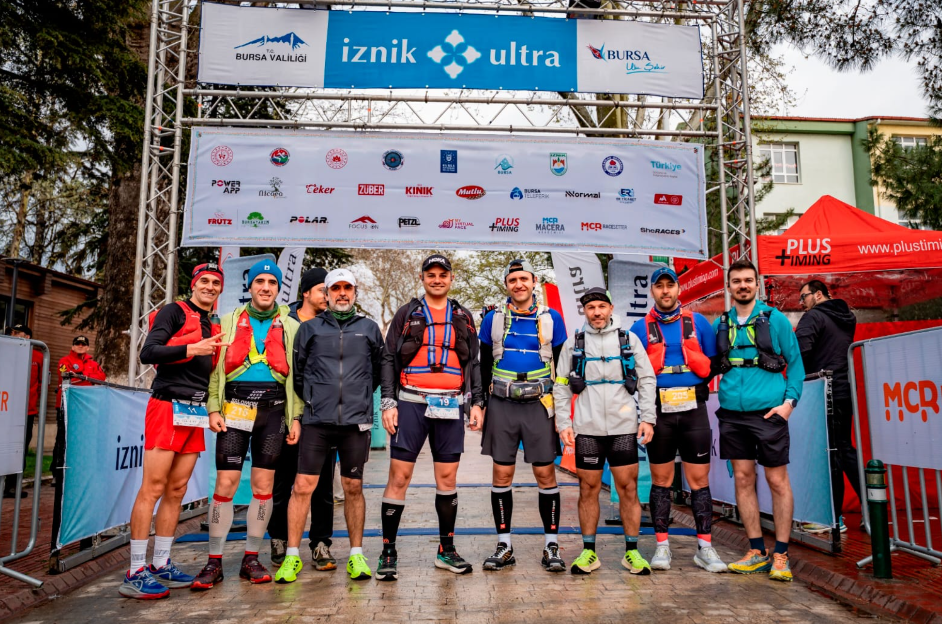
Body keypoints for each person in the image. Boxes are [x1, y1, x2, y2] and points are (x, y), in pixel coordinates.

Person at [191, 259, 303, 590]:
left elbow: (297, 377)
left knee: (264, 486)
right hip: (235, 408)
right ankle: (213, 561)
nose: (266, 287)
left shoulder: (291, 326)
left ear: (278, 288)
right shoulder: (227, 321)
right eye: (260, 282)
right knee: (225, 484)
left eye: (272, 282)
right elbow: (215, 370)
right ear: (250, 286)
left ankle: (251, 558)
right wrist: (213, 408)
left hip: (274, 411)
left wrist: (295, 417)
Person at [121, 263, 227, 599]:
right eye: (204, 281)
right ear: (194, 284)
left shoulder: (214, 323)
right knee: (152, 487)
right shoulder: (174, 311)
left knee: (177, 489)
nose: (209, 287)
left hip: (194, 411)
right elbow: (148, 352)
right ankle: (135, 571)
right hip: (167, 406)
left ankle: (160, 563)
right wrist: (191, 348)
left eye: (216, 283)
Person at [378, 254, 485, 581]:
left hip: (450, 405)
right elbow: (388, 357)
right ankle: (388, 551)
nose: (437, 279)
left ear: (451, 278)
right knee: (399, 477)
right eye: (431, 275)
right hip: (410, 402)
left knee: (448, 479)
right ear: (422, 278)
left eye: (442, 274)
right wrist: (388, 402)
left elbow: (474, 362)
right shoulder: (407, 313)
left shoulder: (463, 316)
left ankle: (446, 550)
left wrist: (477, 403)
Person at [275, 269, 385, 583]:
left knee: (353, 488)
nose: (341, 293)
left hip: (355, 423)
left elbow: (378, 372)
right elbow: (298, 373)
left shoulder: (369, 328)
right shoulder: (309, 329)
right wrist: (314, 400)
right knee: (302, 487)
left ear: (355, 292)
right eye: (335, 288)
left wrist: (359, 396)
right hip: (317, 421)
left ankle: (356, 555)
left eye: (347, 287)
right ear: (326, 293)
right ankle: (292, 556)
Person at [628, 267, 726, 573]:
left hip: (694, 410)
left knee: (699, 481)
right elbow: (631, 371)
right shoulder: (639, 328)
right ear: (652, 291)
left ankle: (705, 548)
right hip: (659, 412)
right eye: (659, 286)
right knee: (661, 481)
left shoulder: (698, 322)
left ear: (678, 289)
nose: (665, 291)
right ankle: (662, 546)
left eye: (670, 285)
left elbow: (713, 364)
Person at [554, 287, 658, 575]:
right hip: (587, 429)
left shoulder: (629, 339)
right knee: (588, 488)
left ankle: (632, 552)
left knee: (628, 488)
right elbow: (561, 384)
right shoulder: (574, 342)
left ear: (611, 308)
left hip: (623, 427)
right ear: (585, 311)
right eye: (591, 308)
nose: (597, 312)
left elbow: (647, 379)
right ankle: (589, 552)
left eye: (601, 306)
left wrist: (648, 418)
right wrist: (564, 423)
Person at [713, 258, 804, 582]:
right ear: (729, 287)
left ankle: (781, 554)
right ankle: (756, 551)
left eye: (748, 280)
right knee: (742, 479)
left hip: (768, 412)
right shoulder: (721, 323)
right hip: (732, 414)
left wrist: (789, 404)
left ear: (757, 284)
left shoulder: (775, 319)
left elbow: (796, 364)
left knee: (777, 481)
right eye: (737, 281)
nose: (743, 286)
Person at [478, 258, 568, 573]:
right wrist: (479, 404)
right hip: (502, 403)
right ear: (507, 285)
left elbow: (562, 368)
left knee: (545, 474)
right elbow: (482, 365)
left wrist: (564, 411)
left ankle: (551, 545)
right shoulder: (492, 319)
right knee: (501, 474)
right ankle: (504, 545)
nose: (519, 284)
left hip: (539, 403)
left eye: (524, 279)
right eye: (513, 280)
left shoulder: (551, 318)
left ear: (533, 282)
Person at [269, 267, 340, 570]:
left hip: (324, 416)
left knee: (323, 485)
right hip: (286, 414)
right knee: (283, 481)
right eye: (323, 289)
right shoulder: (283, 322)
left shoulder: (335, 322)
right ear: (306, 293)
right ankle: (279, 538)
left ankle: (321, 544)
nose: (328, 295)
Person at [795, 279, 859, 532]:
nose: (801, 303)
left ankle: (832, 518)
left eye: (804, 297)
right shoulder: (847, 317)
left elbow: (799, 352)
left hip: (822, 391)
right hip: (844, 389)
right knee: (844, 449)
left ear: (818, 295)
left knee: (828, 452)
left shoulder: (813, 317)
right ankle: (872, 510)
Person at [52, 334, 106, 544]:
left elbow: (101, 378)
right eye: (77, 344)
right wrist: (84, 376)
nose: (81, 346)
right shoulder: (64, 360)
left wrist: (83, 375)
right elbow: (67, 377)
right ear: (73, 345)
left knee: (83, 444)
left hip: (87, 408)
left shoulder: (93, 362)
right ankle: (58, 473)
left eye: (84, 344)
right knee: (62, 442)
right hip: (67, 405)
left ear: (88, 347)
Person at [5, 324, 42, 499]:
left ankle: (12, 486)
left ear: (27, 337)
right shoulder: (5, 352)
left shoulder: (38, 356)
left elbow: (41, 383)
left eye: (16, 333)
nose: (13, 335)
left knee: (20, 449)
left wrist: (34, 401)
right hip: (5, 409)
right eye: (12, 333)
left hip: (27, 411)